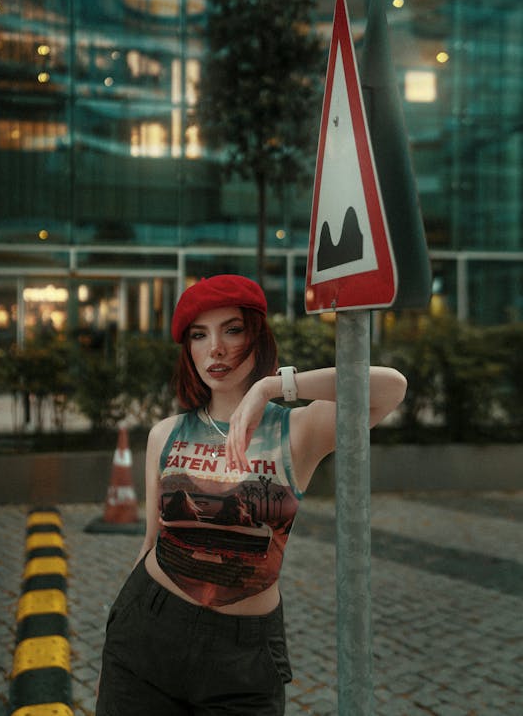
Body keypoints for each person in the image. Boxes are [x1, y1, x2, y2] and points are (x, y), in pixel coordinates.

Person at [96, 274, 407, 716]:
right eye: (199, 335)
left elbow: (390, 386)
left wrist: (271, 387)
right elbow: (151, 542)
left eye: (232, 329)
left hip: (242, 657)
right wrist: (120, 628)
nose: (215, 349)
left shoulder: (296, 430)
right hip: (145, 633)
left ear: (257, 336)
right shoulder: (164, 434)